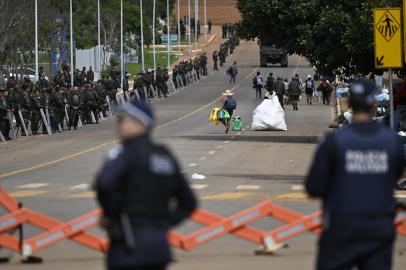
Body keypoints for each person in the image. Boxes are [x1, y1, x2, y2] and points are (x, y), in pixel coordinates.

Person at [305, 79, 405, 270]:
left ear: (350, 102)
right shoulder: (392, 143)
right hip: (379, 228)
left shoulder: (333, 142)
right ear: (374, 104)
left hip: (342, 228)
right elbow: (395, 175)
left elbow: (314, 187)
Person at [95, 100, 197, 270]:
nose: (118, 125)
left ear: (138, 123)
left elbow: (104, 184)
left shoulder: (125, 154)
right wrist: (163, 223)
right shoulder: (164, 155)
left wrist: (111, 214)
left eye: (122, 119)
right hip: (159, 247)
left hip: (128, 246)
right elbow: (189, 202)